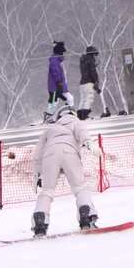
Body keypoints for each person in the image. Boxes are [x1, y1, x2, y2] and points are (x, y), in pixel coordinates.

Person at [31, 104, 102, 237]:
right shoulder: (75, 122)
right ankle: (86, 219)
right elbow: (82, 133)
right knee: (80, 188)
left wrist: (37, 173)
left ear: (58, 116)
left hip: (49, 156)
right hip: (69, 153)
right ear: (73, 114)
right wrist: (89, 143)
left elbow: (38, 153)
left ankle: (39, 225)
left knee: (47, 191)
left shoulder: (50, 129)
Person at [45, 41, 74, 122]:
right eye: (62, 52)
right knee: (54, 102)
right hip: (55, 86)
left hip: (61, 86)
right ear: (59, 52)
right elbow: (55, 72)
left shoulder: (57, 60)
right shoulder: (54, 60)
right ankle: (48, 117)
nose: (63, 54)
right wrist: (59, 82)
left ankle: (68, 114)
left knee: (69, 98)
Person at [77, 46, 101, 120]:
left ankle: (80, 115)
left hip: (82, 83)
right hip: (89, 83)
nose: (94, 56)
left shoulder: (83, 60)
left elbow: (86, 70)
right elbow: (92, 72)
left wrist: (94, 65)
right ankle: (84, 115)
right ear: (92, 54)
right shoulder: (90, 60)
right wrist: (96, 81)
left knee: (83, 99)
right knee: (89, 98)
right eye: (94, 55)